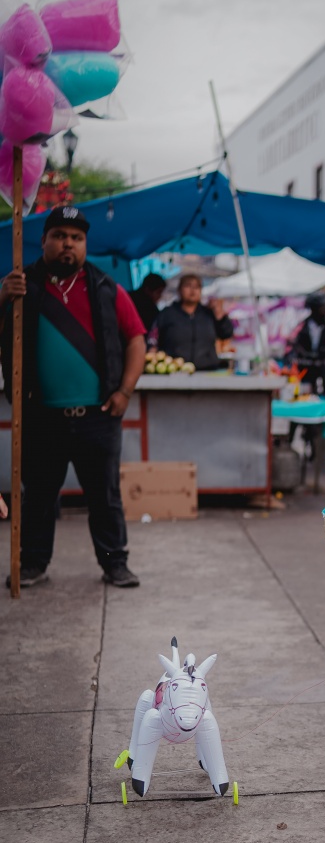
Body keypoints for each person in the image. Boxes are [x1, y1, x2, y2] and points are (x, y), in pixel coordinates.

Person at [0, 205, 146, 588]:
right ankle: (31, 564)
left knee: (105, 497)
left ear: (85, 245)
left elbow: (136, 339)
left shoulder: (106, 288)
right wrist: (3, 298)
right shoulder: (20, 285)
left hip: (98, 415)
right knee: (38, 496)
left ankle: (115, 564)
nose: (68, 244)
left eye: (77, 238)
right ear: (45, 240)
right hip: (40, 414)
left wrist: (125, 391)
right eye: (60, 236)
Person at [152, 274, 234, 370]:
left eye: (196, 287)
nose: (192, 290)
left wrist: (220, 316)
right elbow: (153, 338)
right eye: (188, 286)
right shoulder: (167, 314)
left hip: (207, 370)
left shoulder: (208, 314)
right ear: (179, 290)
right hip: (175, 370)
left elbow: (227, 333)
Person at [283, 290, 325, 394]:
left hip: (324, 369)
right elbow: (291, 344)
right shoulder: (302, 326)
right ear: (314, 309)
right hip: (306, 369)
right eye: (323, 308)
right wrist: (291, 356)